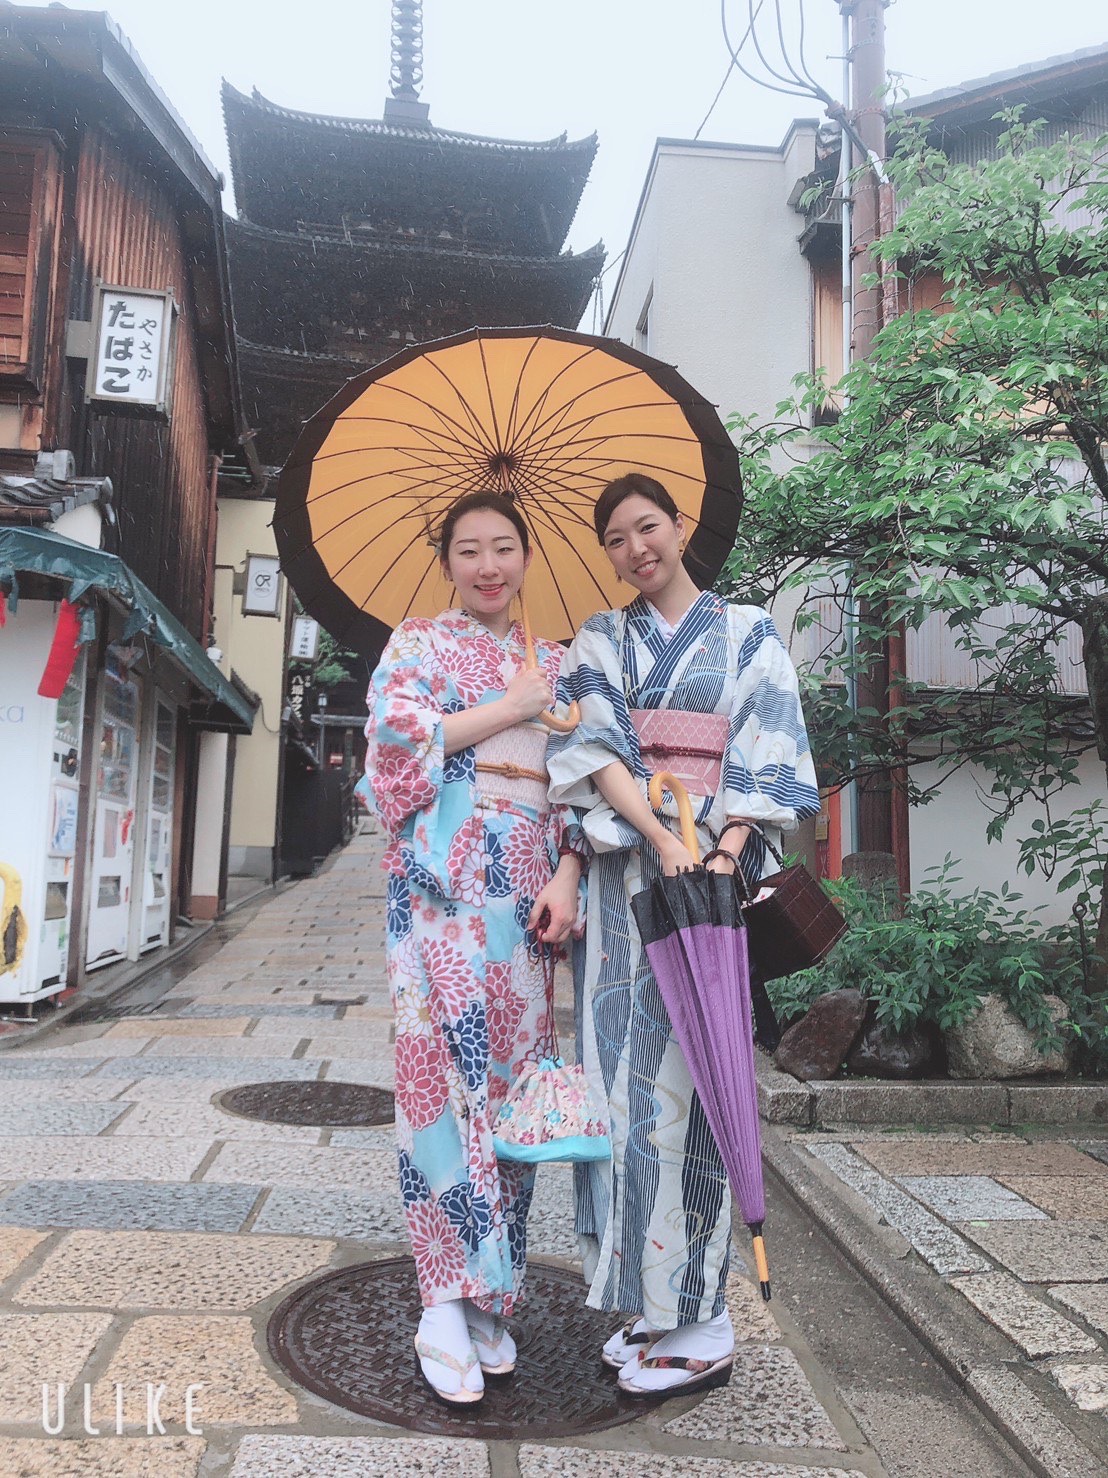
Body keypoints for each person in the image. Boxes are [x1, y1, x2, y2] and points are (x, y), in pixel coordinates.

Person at [547, 472, 820, 1399]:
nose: (635, 550)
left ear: (677, 527)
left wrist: (725, 844)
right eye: (617, 538)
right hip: (632, 885)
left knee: (699, 1084)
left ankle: (705, 1315)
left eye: (648, 528)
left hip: (709, 888)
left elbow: (767, 746)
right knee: (618, 1087)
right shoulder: (600, 637)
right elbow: (593, 750)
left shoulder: (748, 633)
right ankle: (652, 1304)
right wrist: (663, 836)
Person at [365, 491, 586, 1406]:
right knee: (439, 1076)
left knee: (513, 1085)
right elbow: (397, 746)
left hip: (530, 885)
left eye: (503, 548)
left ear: (527, 557)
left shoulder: (562, 660)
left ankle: (495, 1288)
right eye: (469, 550)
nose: (487, 566)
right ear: (446, 561)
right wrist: (511, 706)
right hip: (441, 882)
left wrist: (570, 874)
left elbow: (584, 778)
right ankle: (441, 1301)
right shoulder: (415, 642)